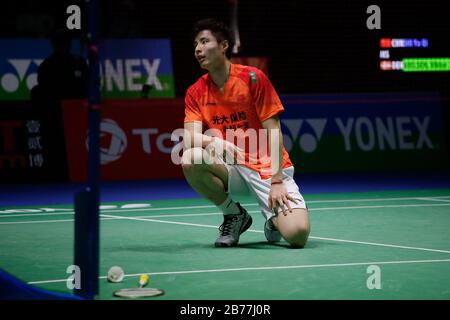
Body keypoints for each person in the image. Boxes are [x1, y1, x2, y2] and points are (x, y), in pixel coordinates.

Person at [182, 18, 310, 248]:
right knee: (190, 158)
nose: (198, 49)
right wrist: (215, 142)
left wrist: (278, 180)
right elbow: (189, 137)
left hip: (267, 170)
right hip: (233, 168)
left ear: (223, 46)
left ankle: (275, 220)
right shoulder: (195, 91)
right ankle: (234, 215)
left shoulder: (252, 79)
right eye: (195, 45)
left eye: (204, 42)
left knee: (298, 235)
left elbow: (273, 131)